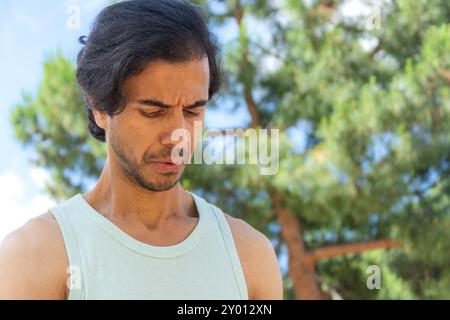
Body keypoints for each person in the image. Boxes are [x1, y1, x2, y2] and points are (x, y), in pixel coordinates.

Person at [0, 0, 283, 300]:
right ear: (100, 108)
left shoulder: (248, 256)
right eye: (153, 111)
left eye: (192, 111)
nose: (179, 138)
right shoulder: (37, 255)